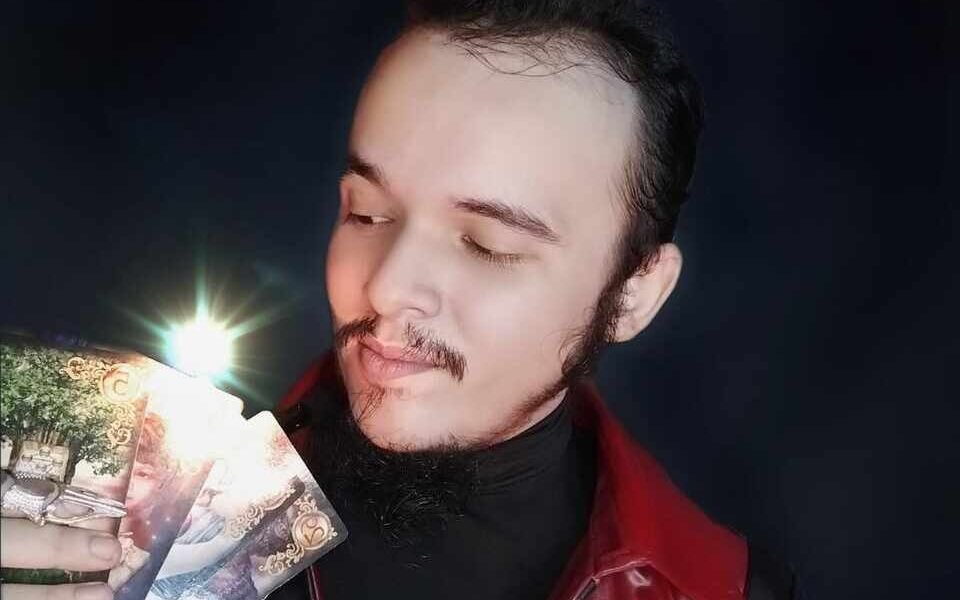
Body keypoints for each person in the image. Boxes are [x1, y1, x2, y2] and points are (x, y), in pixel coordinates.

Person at [0, 1, 793, 599]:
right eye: (368, 214)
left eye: (488, 245)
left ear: (633, 294)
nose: (384, 286)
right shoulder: (114, 496)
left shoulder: (726, 589)